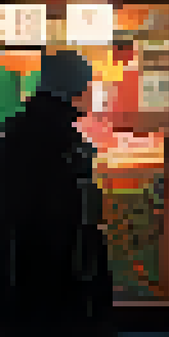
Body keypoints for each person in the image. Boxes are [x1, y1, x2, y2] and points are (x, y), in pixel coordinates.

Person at [0, 51, 115, 337]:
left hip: (25, 265)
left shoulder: (15, 132)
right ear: (75, 88)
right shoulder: (64, 143)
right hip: (58, 263)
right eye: (87, 85)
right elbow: (73, 213)